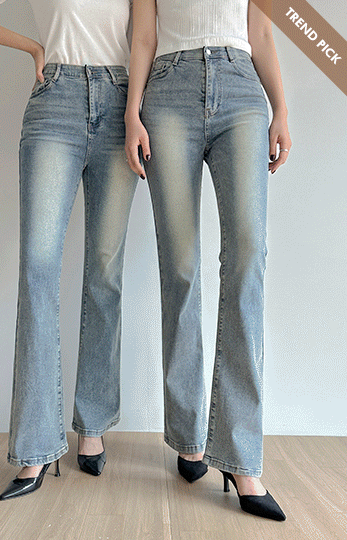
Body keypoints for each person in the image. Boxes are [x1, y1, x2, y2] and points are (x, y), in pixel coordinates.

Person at [0, 0, 139, 500]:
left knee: (105, 271)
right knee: (37, 269)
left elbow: (150, 35)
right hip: (55, 102)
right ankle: (36, 446)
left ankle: (92, 425)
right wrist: (34, 47)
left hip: (123, 105)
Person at [125, 0, 291, 521]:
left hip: (241, 90)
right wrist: (132, 112)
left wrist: (281, 109)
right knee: (180, 267)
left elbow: (261, 33)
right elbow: (144, 37)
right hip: (167, 92)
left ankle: (241, 458)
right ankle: (189, 437)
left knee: (247, 259)